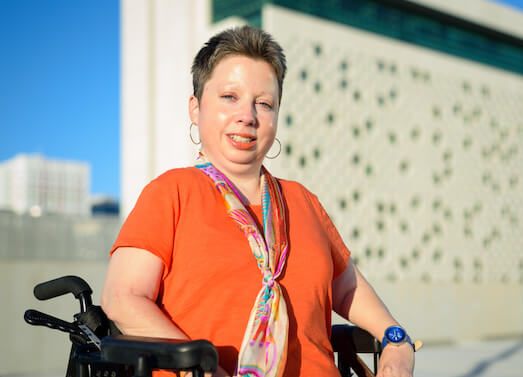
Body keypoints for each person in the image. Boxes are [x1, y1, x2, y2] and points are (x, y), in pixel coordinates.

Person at [101, 26, 418, 377]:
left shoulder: (303, 201)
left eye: (264, 103)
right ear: (195, 108)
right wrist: (203, 370)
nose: (247, 116)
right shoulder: (173, 192)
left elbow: (348, 289)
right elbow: (123, 299)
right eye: (229, 97)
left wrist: (397, 341)